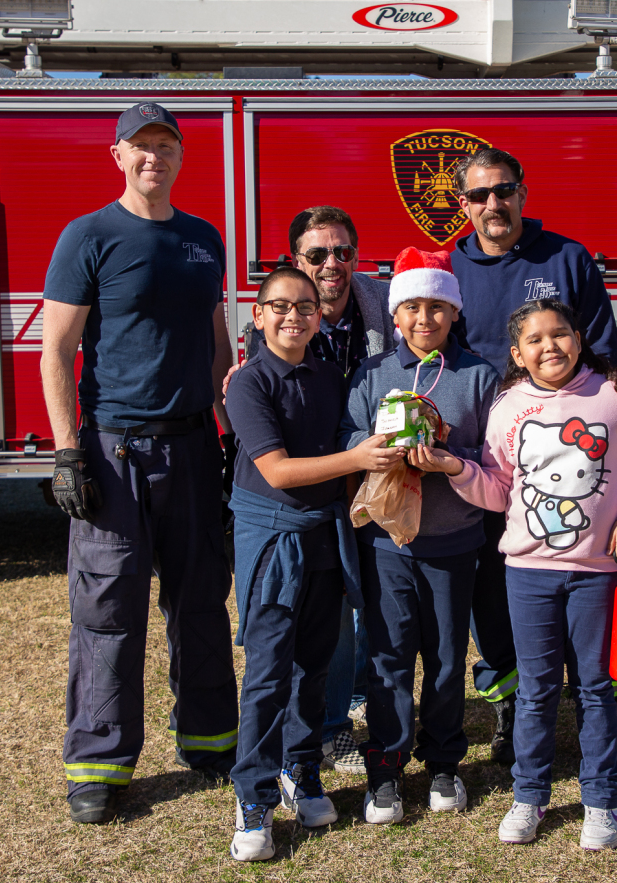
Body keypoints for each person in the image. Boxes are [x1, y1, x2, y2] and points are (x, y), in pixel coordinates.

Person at [42, 102, 239, 825]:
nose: (154, 157)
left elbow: (218, 341)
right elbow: (56, 352)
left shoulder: (200, 238)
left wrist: (231, 433)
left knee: (200, 600)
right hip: (114, 449)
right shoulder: (88, 236)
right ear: (118, 155)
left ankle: (212, 737)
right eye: (141, 146)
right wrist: (69, 452)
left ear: (181, 157)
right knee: (108, 609)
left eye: (167, 145)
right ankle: (99, 763)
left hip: (191, 447)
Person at [421, 299, 617, 850]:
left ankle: (601, 799)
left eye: (560, 335)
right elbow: (497, 485)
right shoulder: (509, 405)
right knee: (534, 691)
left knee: (594, 688)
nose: (550, 346)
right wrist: (453, 468)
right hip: (528, 572)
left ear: (579, 340)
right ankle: (528, 795)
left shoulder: (614, 394)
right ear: (517, 353)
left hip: (597, 572)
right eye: (535, 340)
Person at [446, 148, 617, 762]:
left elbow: (603, 353)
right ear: (462, 204)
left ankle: (592, 699)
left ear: (523, 193)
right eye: (479, 195)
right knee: (495, 591)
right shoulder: (450, 268)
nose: (493, 205)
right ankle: (510, 701)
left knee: (580, 576)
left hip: (567, 459)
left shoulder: (567, 258)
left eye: (504, 191)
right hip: (490, 456)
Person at [223, 266, 406, 861]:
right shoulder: (247, 383)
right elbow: (276, 471)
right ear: (258, 315)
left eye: (305, 307)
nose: (293, 316)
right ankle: (252, 799)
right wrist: (354, 456)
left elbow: (363, 444)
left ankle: (301, 770)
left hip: (327, 539)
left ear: (318, 315)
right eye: (279, 306)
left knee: (314, 666)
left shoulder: (333, 376)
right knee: (268, 673)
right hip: (274, 541)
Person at [338, 248, 500, 824]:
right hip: (387, 542)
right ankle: (385, 769)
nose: (424, 318)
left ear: (453, 313)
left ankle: (444, 763)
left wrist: (447, 452)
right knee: (387, 656)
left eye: (436, 306)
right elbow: (349, 435)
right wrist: (378, 445)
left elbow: (496, 455)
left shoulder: (478, 375)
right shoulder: (373, 373)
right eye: (411, 307)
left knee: (448, 657)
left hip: (454, 541)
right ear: (396, 315)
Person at [240, 206, 393, 776]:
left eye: (344, 252)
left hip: (376, 476)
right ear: (294, 262)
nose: (333, 265)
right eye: (317, 255)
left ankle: (354, 701)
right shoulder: (278, 326)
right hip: (317, 489)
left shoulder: (381, 302)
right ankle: (327, 732)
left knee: (367, 601)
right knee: (319, 621)